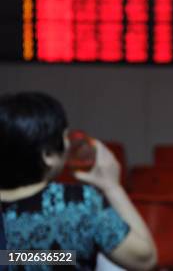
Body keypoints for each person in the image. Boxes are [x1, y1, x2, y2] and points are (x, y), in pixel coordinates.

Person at [0, 92, 157, 270]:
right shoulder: (77, 204)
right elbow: (144, 259)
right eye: (65, 137)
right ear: (48, 155)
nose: (68, 145)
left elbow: (11, 257)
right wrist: (112, 187)